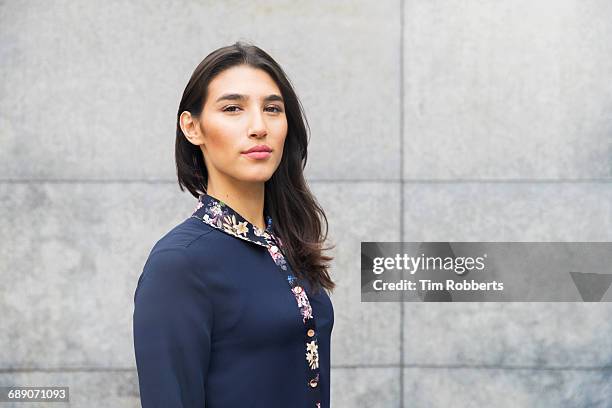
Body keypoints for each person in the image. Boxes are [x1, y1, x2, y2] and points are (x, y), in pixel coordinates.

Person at [132, 41, 336, 408]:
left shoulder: (289, 244)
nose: (259, 127)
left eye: (272, 109)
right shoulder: (179, 265)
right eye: (233, 109)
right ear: (192, 127)